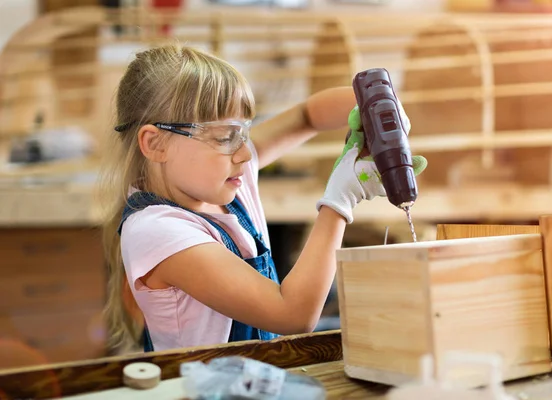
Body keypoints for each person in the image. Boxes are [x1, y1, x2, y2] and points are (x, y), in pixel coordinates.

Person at [98, 44, 427, 353]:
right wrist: (339, 202)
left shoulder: (224, 178)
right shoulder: (157, 231)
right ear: (156, 145)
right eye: (226, 136)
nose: (244, 152)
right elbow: (292, 314)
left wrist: (371, 106)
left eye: (244, 131)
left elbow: (306, 116)